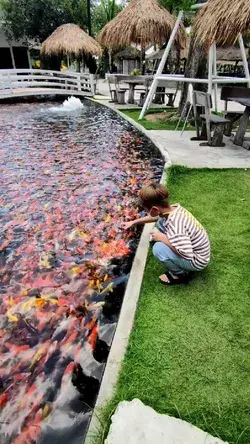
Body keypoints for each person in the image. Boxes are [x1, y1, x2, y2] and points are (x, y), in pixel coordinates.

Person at [122, 183, 210, 285]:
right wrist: (133, 222)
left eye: (145, 209)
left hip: (197, 260)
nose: (145, 211)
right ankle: (170, 248)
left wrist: (163, 238)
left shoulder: (176, 224)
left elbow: (186, 253)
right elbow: (155, 217)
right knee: (160, 222)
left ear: (154, 209)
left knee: (158, 249)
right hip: (196, 250)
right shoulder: (173, 209)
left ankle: (180, 275)